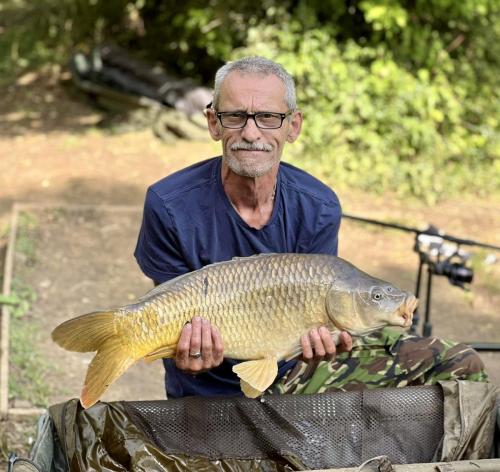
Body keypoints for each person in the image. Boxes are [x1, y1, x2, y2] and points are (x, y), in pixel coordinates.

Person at [135, 56, 488, 399]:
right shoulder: (168, 204)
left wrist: (320, 347)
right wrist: (188, 354)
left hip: (295, 374)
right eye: (236, 116)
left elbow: (322, 319)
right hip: (206, 390)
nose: (252, 132)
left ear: (294, 126)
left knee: (459, 362)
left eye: (269, 117)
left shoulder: (318, 206)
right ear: (213, 123)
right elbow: (170, 314)